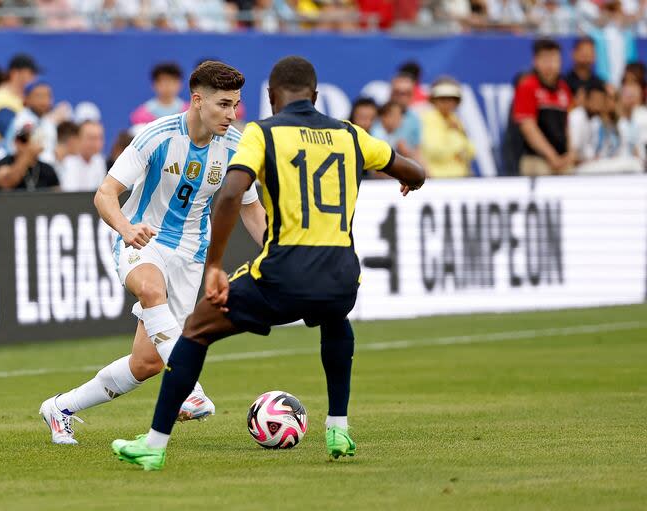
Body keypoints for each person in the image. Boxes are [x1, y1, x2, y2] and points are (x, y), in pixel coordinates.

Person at [109, 56, 425, 471]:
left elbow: (231, 194)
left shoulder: (261, 133)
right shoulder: (351, 134)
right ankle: (339, 427)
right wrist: (410, 179)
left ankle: (154, 444)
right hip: (342, 271)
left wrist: (217, 264)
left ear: (272, 98)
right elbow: (414, 171)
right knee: (335, 321)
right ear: (315, 96)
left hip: (284, 269)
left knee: (196, 332)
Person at [39, 61, 268, 445]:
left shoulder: (236, 147)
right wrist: (127, 229)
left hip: (191, 256)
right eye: (224, 105)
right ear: (198, 101)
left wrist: (277, 252)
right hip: (143, 240)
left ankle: (60, 407)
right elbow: (105, 194)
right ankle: (191, 387)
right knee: (150, 289)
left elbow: (250, 208)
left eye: (235, 105)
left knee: (145, 363)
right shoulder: (157, 136)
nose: (232, 114)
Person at [513, 38, 574, 176]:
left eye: (554, 59)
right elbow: (528, 127)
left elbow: (569, 126)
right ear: (536, 61)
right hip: (536, 158)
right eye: (545, 59)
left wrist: (570, 154)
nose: (550, 65)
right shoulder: (527, 87)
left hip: (562, 159)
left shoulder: (564, 89)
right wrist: (551, 156)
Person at [420, 78, 475, 178]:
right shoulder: (429, 119)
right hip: (438, 179)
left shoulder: (454, 119)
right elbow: (435, 152)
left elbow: (471, 152)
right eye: (442, 99)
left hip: (460, 177)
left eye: (452, 99)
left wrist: (458, 151)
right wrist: (457, 147)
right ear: (434, 100)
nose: (448, 103)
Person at [0, 54, 39, 158]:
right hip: (4, 157)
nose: (35, 78)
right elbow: (14, 134)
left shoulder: (21, 97)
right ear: (15, 73)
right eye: (31, 73)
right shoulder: (2, 99)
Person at [5, 79, 57, 164]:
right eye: (39, 96)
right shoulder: (21, 121)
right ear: (27, 99)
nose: (44, 100)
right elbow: (13, 150)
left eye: (47, 96)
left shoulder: (49, 122)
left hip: (48, 168)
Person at [0, 127, 59, 191]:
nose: (22, 144)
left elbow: (56, 195)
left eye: (25, 140)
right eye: (24, 140)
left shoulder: (47, 169)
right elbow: (5, 183)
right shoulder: (5, 162)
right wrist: (27, 154)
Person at [130, 62, 189, 127]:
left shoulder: (189, 112)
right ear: (154, 84)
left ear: (180, 84)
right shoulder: (141, 115)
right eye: (163, 81)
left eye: (171, 81)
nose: (167, 86)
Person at [58, 120, 107, 191]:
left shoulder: (100, 161)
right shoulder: (69, 162)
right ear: (78, 138)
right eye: (91, 138)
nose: (97, 143)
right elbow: (69, 194)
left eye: (100, 138)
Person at [564, 37, 606, 106]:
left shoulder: (600, 85)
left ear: (595, 56)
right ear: (574, 54)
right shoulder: (564, 83)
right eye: (583, 51)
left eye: (590, 51)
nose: (586, 55)